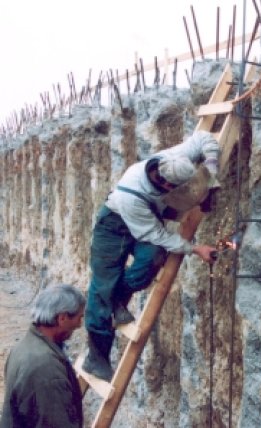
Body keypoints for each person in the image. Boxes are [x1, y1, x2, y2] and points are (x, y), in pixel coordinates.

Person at [83, 130, 220, 381]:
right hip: (113, 226)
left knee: (152, 259)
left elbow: (204, 138)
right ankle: (96, 356)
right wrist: (195, 249)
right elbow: (157, 235)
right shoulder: (132, 193)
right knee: (102, 289)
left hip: (144, 221)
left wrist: (211, 170)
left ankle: (118, 300)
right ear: (166, 185)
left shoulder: (173, 159)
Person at [0, 284, 86, 428]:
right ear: (62, 318)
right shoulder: (47, 369)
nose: (79, 325)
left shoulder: (24, 347)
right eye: (79, 317)